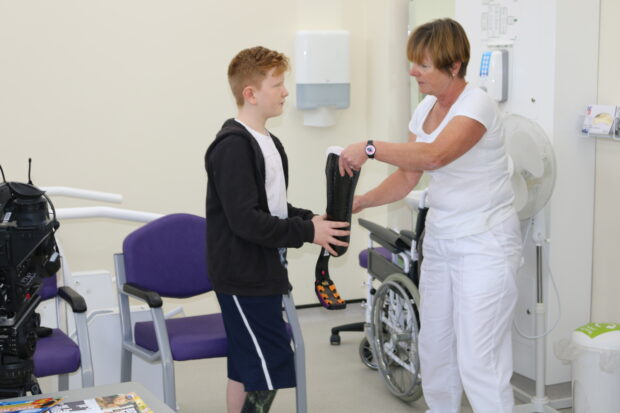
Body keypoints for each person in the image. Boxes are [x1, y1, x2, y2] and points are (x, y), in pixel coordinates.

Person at [339, 18, 522, 413]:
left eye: (423, 65)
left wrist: (370, 148)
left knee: (480, 361)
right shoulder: (425, 108)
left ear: (453, 66)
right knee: (435, 351)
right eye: (413, 63)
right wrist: (360, 202)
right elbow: (408, 176)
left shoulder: (478, 106)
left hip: (484, 245)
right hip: (442, 244)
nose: (413, 72)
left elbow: (434, 155)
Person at [205, 46, 350, 413]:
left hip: (262, 272)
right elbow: (246, 220)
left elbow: (275, 208)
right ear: (250, 94)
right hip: (243, 277)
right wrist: (306, 232)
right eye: (277, 84)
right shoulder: (232, 147)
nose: (285, 92)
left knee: (244, 367)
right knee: (268, 368)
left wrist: (312, 220)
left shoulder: (269, 143)